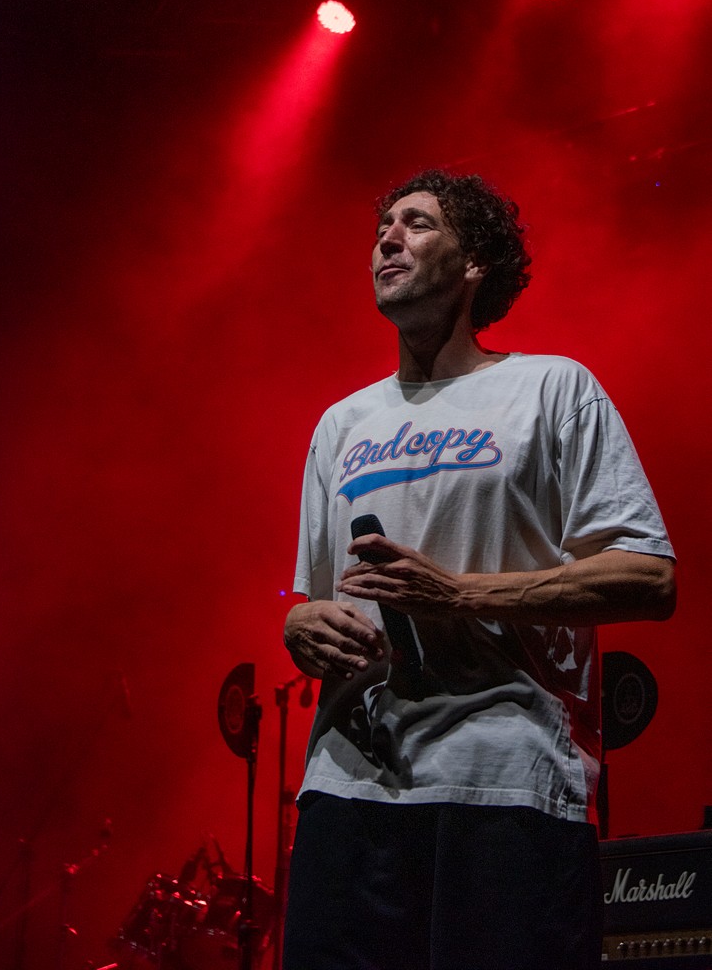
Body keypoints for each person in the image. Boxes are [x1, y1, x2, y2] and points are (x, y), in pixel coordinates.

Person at [282, 169, 676, 970]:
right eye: (383, 226)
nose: (387, 238)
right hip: (350, 789)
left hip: (505, 781)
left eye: (417, 223)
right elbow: (319, 596)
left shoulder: (551, 388)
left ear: (474, 263)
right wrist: (300, 625)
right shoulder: (341, 423)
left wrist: (460, 594)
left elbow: (649, 577)